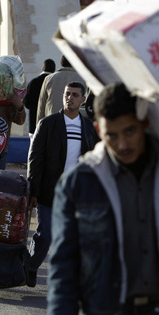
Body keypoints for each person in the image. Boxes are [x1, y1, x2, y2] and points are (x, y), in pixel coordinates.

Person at [48, 82, 159, 314]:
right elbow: (64, 267)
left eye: (130, 131)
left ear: (144, 124)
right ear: (98, 130)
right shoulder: (80, 183)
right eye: (111, 135)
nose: (122, 144)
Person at [26, 81, 99, 287]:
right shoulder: (48, 124)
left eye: (75, 95)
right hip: (50, 190)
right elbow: (35, 159)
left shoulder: (88, 129)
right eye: (67, 94)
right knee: (46, 234)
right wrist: (33, 190)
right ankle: (30, 267)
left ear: (83, 99)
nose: (70, 98)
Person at [36, 56, 85, 125]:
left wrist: (38, 126)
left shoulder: (49, 79)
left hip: (52, 124)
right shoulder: (83, 79)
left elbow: (41, 106)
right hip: (75, 123)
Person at [23, 58, 56, 136]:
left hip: (34, 125)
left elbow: (27, 103)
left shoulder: (33, 82)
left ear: (42, 68)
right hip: (51, 125)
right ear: (54, 70)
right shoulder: (55, 83)